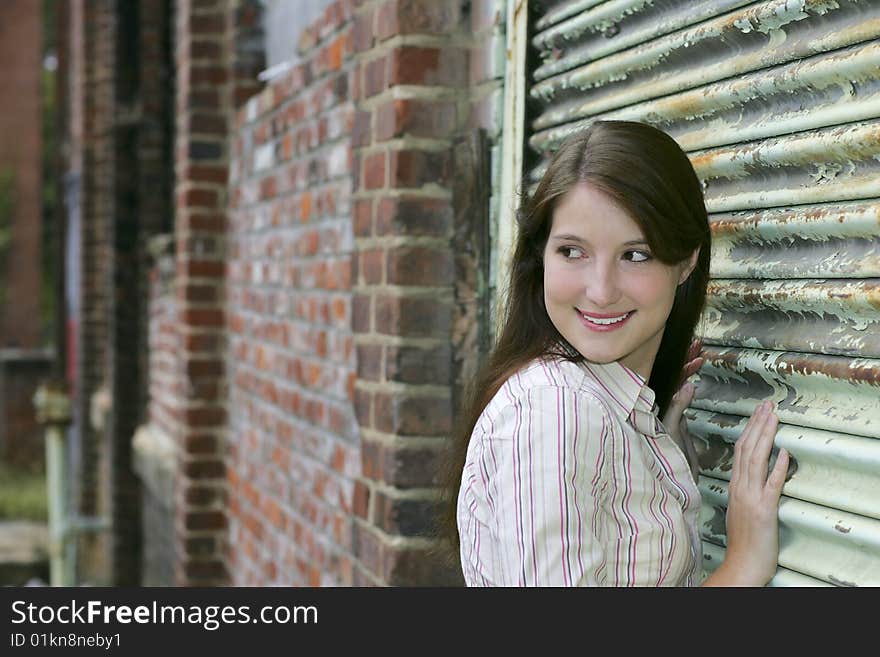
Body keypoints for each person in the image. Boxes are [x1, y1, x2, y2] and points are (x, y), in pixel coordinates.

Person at [439, 120, 789, 586]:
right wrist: (741, 566)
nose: (600, 291)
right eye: (572, 251)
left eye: (635, 255)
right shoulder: (555, 408)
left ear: (686, 261)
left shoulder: (604, 408)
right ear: (540, 255)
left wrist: (645, 444)